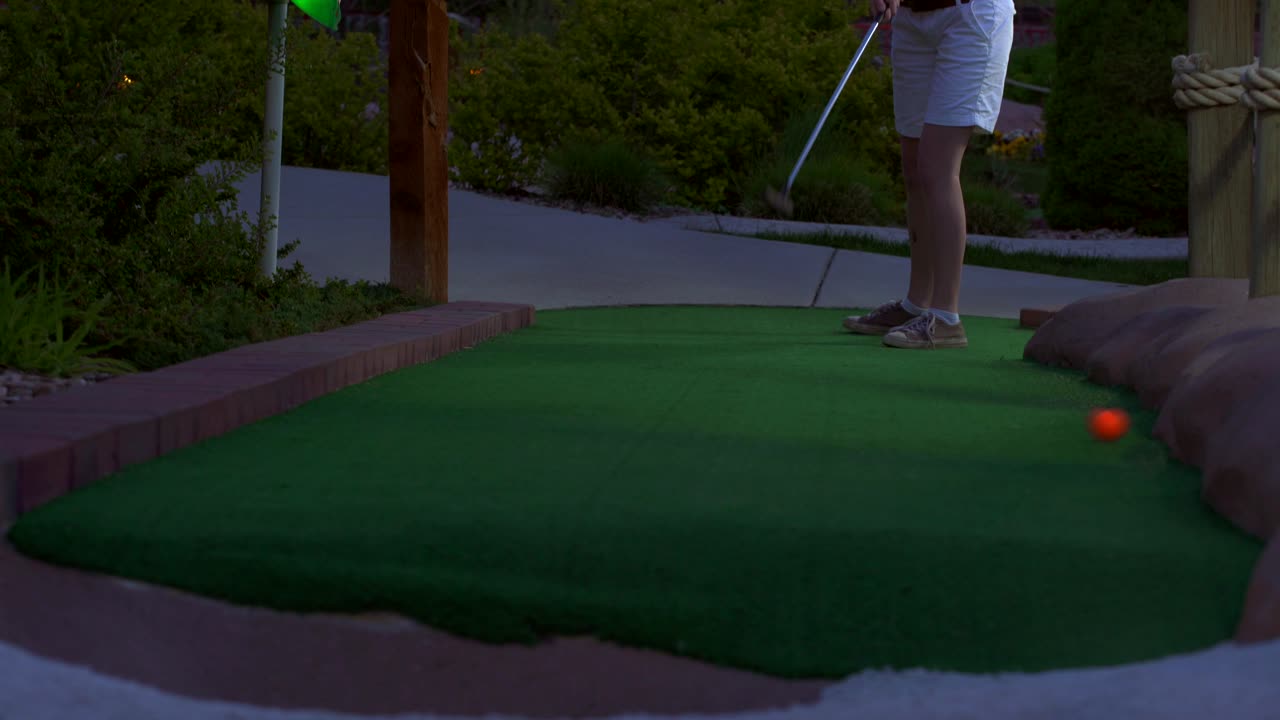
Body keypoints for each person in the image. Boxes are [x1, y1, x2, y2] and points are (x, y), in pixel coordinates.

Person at [842, 0, 1016, 349]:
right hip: (912, 19)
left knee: (938, 168)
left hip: (969, 17)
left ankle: (946, 316)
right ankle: (916, 304)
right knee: (914, 169)